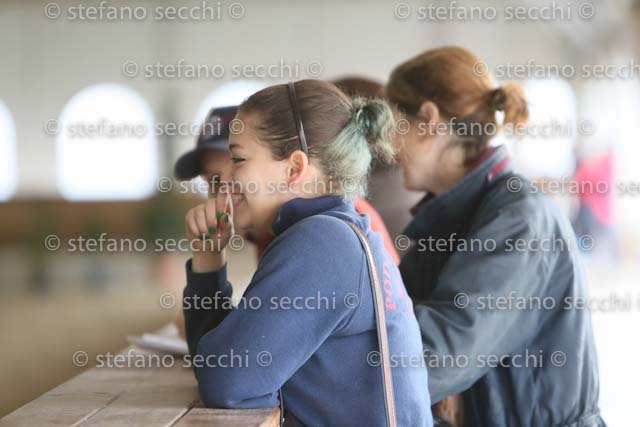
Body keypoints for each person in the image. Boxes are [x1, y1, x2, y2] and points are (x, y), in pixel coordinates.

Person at [182, 80, 432, 426]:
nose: (226, 181)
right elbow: (219, 369)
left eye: (238, 159)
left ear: (294, 168)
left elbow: (225, 383)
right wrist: (209, 258)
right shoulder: (340, 230)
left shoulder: (321, 243)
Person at [385, 47, 604, 426]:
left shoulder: (519, 219)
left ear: (428, 120)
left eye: (393, 125)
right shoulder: (450, 217)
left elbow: (434, 357)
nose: (388, 147)